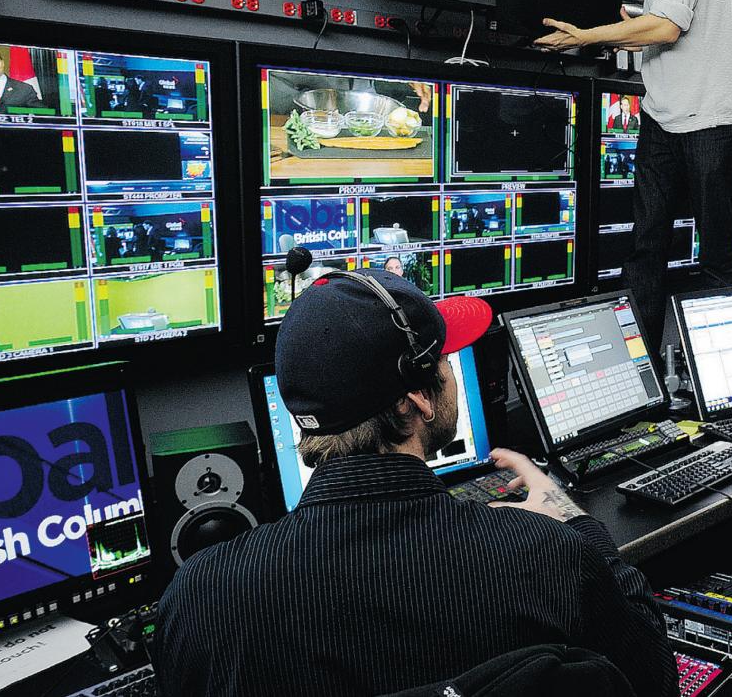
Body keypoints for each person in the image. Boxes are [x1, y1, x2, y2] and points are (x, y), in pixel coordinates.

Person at [152, 268, 678, 697]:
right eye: (445, 360)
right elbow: (655, 681)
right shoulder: (547, 557)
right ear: (421, 399)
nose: (451, 371)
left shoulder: (201, 597)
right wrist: (578, 526)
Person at [535, 0, 732, 348]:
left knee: (716, 254)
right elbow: (665, 39)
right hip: (664, 118)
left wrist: (591, 35)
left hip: (711, 120)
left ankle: (728, 377)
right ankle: (644, 373)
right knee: (644, 248)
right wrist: (630, 33)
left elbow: (669, 28)